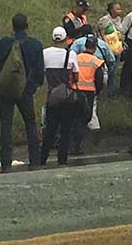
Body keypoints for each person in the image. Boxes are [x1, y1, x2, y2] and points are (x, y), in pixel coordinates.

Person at [0, 14, 45, 172]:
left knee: (6, 125)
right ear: (27, 26)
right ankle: (35, 160)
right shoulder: (35, 45)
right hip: (26, 89)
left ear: (12, 26)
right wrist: (33, 86)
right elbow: (39, 70)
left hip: (7, 89)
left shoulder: (4, 43)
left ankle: (5, 162)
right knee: (30, 123)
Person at [41, 27, 80, 166]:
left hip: (51, 97)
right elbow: (76, 77)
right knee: (66, 130)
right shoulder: (71, 54)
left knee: (50, 129)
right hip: (67, 98)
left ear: (53, 39)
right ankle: (62, 159)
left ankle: (42, 158)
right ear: (65, 39)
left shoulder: (44, 53)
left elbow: (42, 73)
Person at [71, 34, 106, 155]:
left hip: (75, 91)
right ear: (95, 47)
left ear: (85, 45)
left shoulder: (76, 57)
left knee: (74, 118)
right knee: (84, 118)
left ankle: (71, 144)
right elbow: (99, 80)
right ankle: (76, 145)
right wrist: (98, 91)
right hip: (89, 93)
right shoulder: (96, 61)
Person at [101, 2, 124, 97]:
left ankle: (111, 91)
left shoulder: (119, 20)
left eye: (120, 8)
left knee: (114, 71)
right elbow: (102, 34)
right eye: (117, 9)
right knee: (108, 70)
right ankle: (102, 90)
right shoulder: (105, 20)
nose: (119, 10)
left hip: (117, 48)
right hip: (108, 49)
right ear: (111, 10)